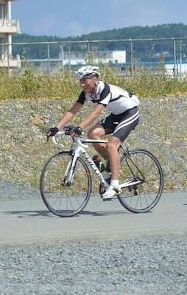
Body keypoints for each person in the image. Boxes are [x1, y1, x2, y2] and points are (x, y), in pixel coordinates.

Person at [46, 65, 140, 200]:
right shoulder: (86, 92)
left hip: (130, 113)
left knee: (112, 145)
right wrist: (56, 128)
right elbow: (73, 110)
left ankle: (114, 185)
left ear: (95, 79)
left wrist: (80, 127)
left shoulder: (105, 89)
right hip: (116, 115)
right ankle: (110, 162)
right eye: (81, 81)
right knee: (93, 134)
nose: (82, 84)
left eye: (85, 80)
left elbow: (96, 112)